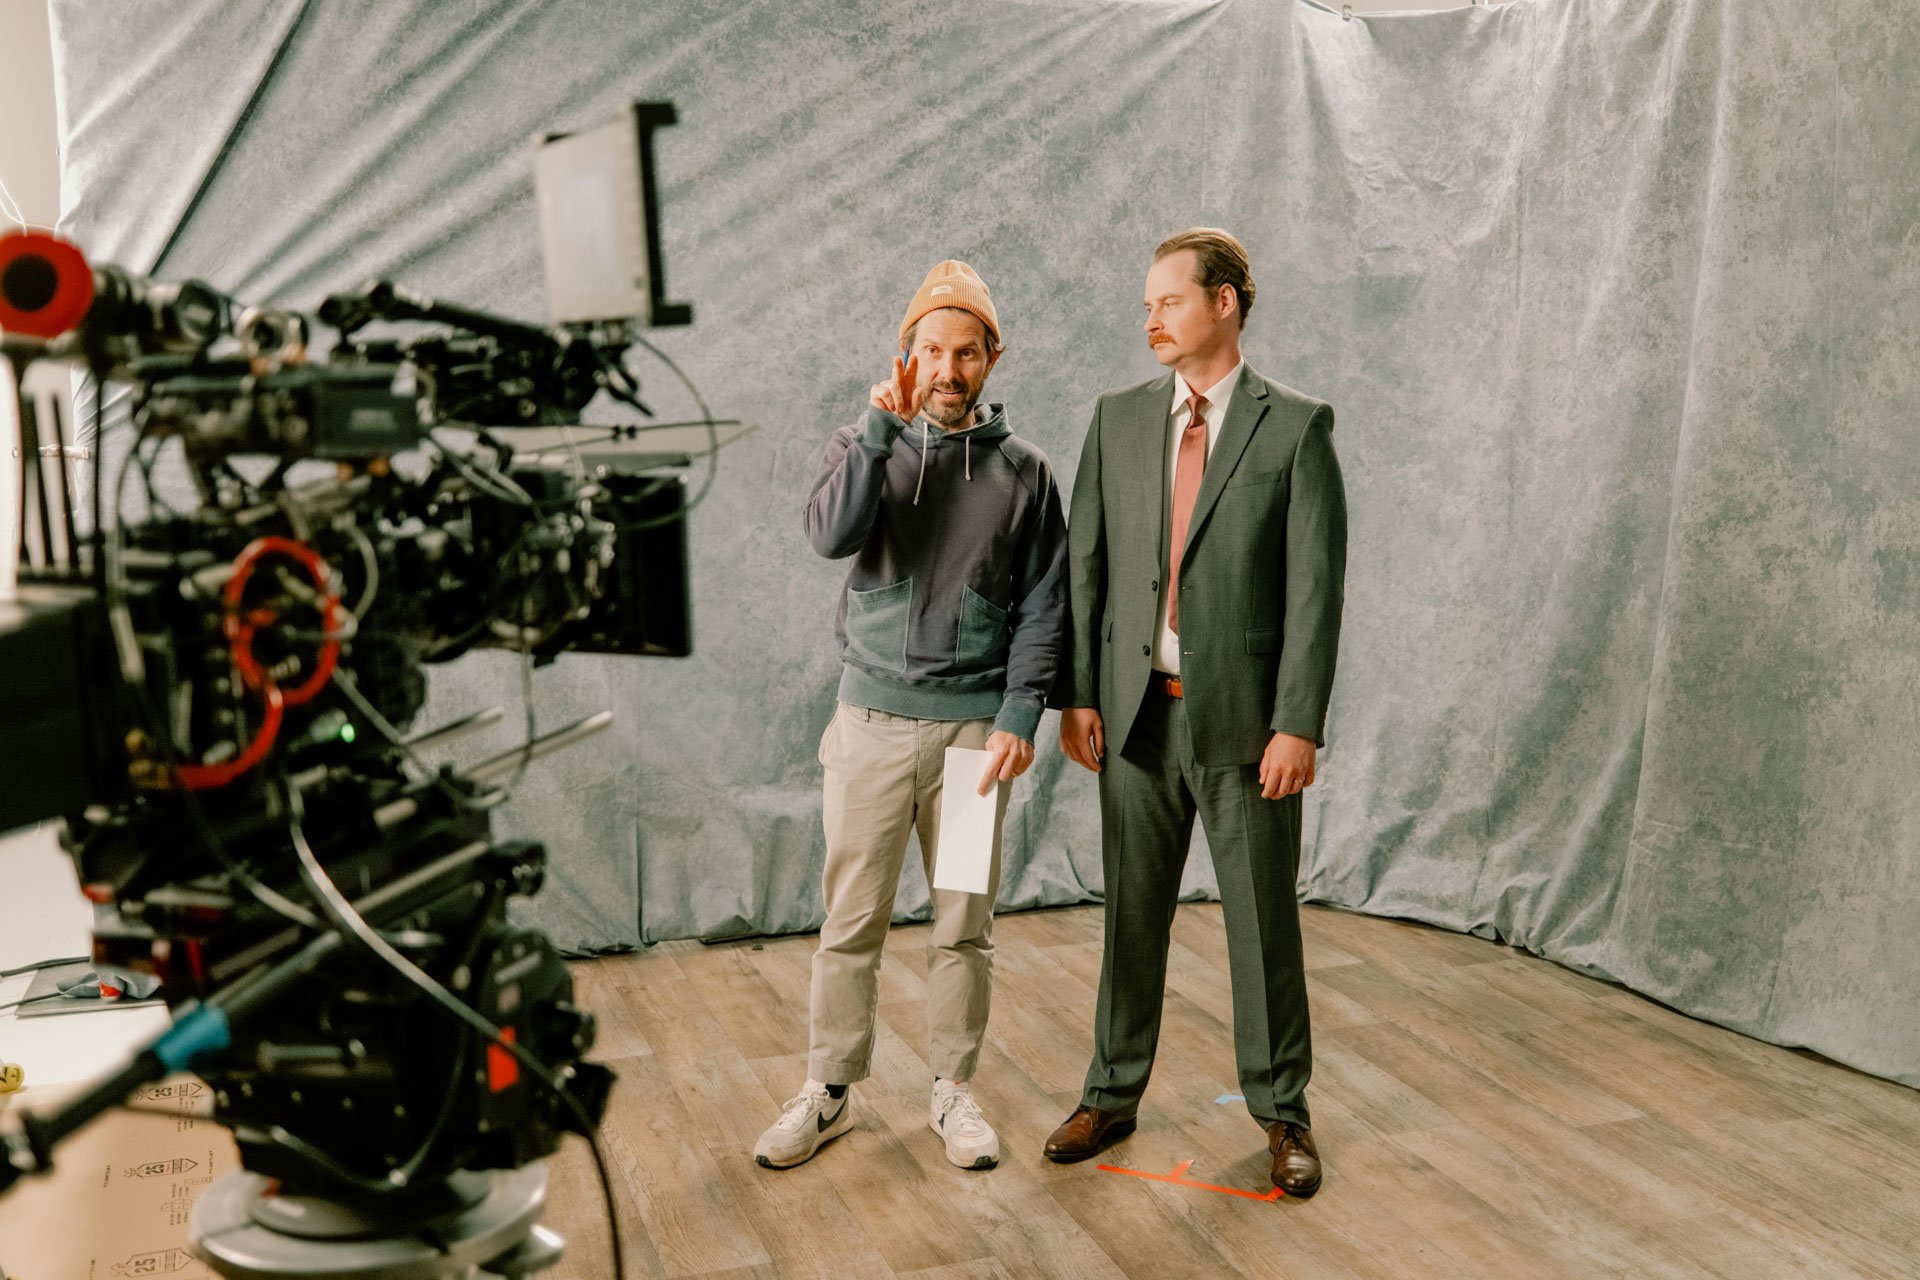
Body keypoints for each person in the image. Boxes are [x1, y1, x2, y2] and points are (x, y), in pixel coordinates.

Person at [1044, 228, 1347, 1197]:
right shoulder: (1118, 419)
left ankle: (1283, 1111)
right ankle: (1111, 1089)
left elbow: (1313, 591)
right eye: (1147, 305)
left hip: (1249, 728)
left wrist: (1297, 721)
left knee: (1263, 925)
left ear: (1223, 303)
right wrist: (1078, 693)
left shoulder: (1295, 428)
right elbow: (1083, 566)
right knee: (1131, 914)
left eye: (1167, 301)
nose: (1151, 319)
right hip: (1133, 717)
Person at [757, 261, 1068, 1171]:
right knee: (850, 919)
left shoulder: (1025, 474)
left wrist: (1019, 711)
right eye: (930, 349)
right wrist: (878, 431)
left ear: (991, 359)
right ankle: (831, 1090)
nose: (947, 367)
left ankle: (952, 1089)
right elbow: (829, 536)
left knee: (963, 923)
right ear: (906, 354)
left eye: (965, 351)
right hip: (871, 732)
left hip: (976, 740)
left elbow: (1048, 601)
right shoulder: (863, 444)